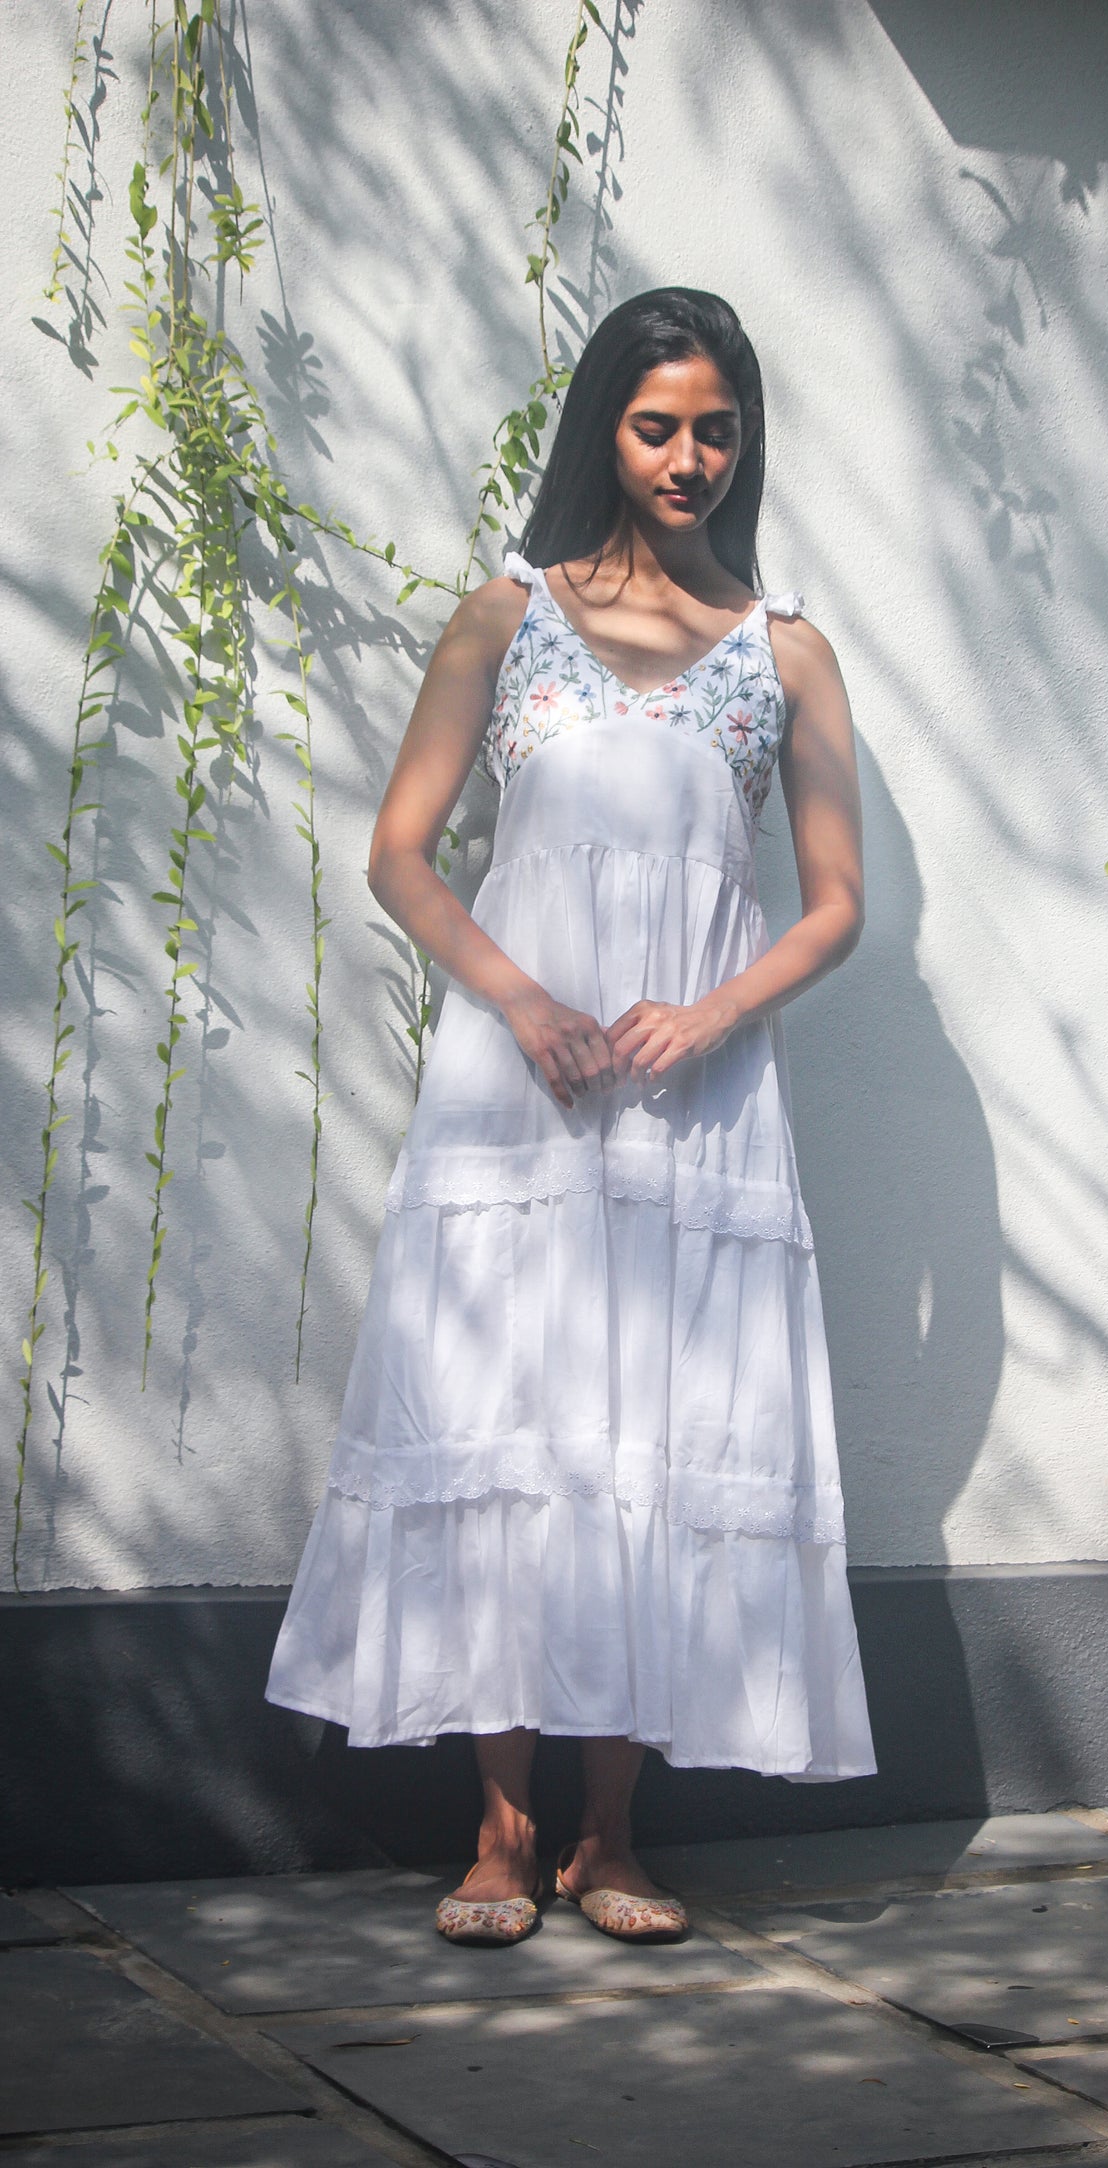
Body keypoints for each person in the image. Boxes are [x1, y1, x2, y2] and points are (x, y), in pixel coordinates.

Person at [266, 287, 876, 1946]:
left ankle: (612, 1836)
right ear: (605, 426)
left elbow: (832, 905)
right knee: (510, 1422)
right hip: (518, 1092)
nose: (688, 457)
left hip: (694, 1107)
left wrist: (714, 1009)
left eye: (716, 429)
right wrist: (522, 996)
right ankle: (496, 1828)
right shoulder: (501, 614)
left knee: (657, 1440)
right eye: (656, 423)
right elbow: (400, 852)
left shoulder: (785, 650)